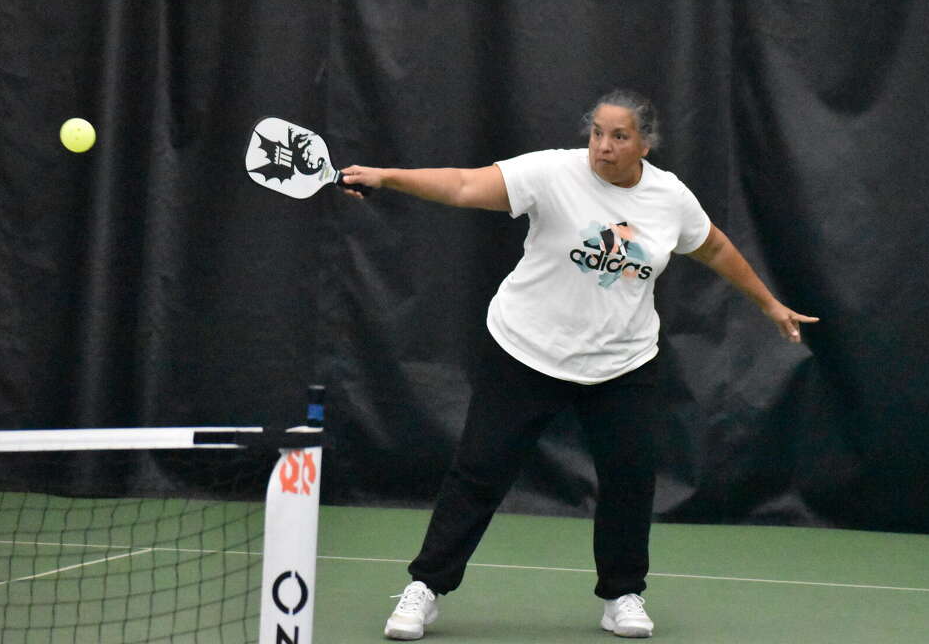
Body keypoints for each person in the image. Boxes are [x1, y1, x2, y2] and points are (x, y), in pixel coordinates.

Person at [339, 89, 818, 640]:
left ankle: (623, 595)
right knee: (479, 471)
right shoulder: (550, 173)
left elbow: (712, 247)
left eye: (619, 136)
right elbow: (465, 184)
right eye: (597, 133)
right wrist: (388, 177)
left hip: (622, 364)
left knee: (629, 480)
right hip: (526, 351)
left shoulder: (670, 198)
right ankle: (425, 588)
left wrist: (768, 303)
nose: (603, 146)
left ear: (644, 145)